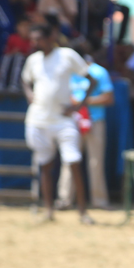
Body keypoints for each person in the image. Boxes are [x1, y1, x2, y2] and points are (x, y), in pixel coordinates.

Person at [21, 24, 96, 223]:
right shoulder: (33, 60)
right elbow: (25, 80)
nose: (35, 43)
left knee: (74, 163)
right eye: (33, 39)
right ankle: (48, 211)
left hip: (63, 120)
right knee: (45, 165)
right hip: (38, 120)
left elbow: (91, 80)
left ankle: (83, 212)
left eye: (38, 39)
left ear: (50, 38)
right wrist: (29, 94)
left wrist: (78, 106)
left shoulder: (67, 55)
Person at [55, 42, 114, 211]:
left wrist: (83, 102)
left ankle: (99, 201)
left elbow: (109, 98)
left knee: (96, 162)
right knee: (69, 159)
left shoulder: (99, 72)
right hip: (72, 122)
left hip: (95, 121)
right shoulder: (68, 72)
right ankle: (65, 200)